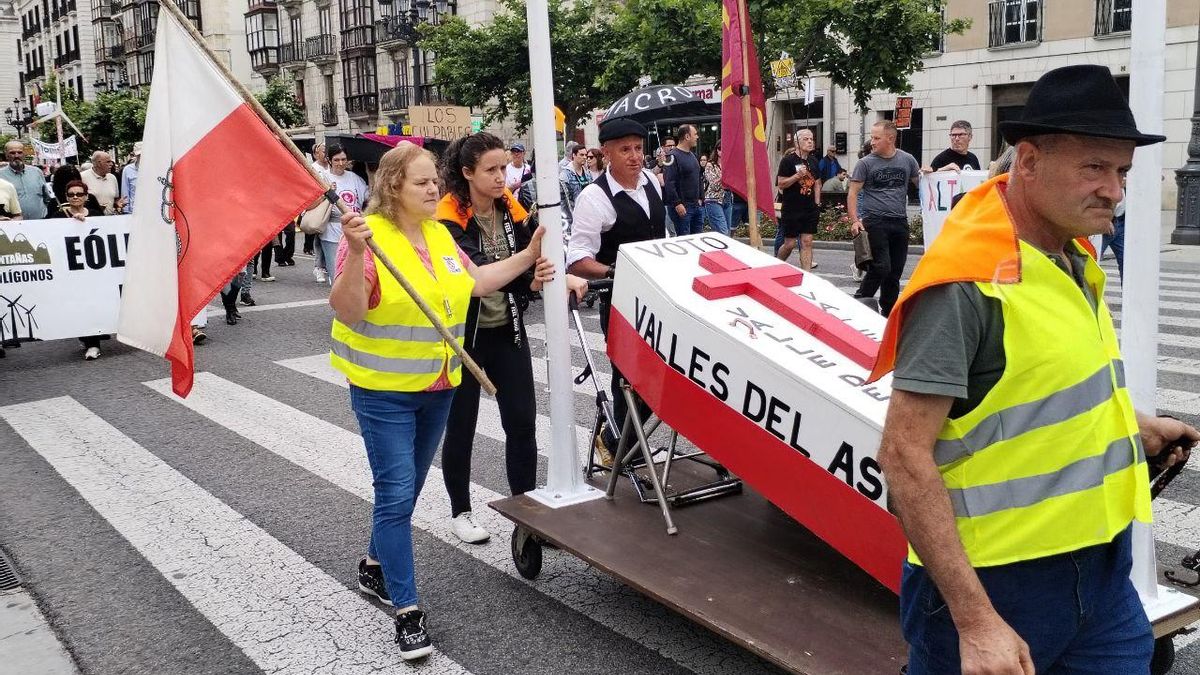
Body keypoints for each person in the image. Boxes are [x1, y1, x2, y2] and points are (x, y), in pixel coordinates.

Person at [871, 64, 1197, 675]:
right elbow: (903, 456)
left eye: (1121, 171)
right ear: (1027, 161)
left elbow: (1039, 388)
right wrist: (975, 621)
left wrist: (1134, 424)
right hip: (995, 585)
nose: (1114, 190)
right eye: (1094, 168)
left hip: (1101, 573)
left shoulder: (1069, 254)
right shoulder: (965, 283)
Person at [329, 142, 576, 660]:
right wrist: (354, 254)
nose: (432, 188)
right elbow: (348, 310)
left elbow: (478, 281)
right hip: (384, 394)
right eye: (420, 181)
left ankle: (374, 566)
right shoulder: (370, 239)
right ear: (392, 186)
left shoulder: (441, 235)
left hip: (438, 388)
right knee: (396, 495)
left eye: (433, 180)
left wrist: (529, 257)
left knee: (409, 490)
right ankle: (407, 609)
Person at [436, 132, 587, 544]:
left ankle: (524, 511)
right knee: (461, 424)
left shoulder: (510, 206)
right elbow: (478, 273)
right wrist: (528, 270)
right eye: (491, 169)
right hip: (463, 335)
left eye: (504, 167)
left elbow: (536, 257)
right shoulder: (447, 214)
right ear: (466, 173)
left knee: (521, 422)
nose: (502, 176)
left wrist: (555, 276)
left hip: (507, 329)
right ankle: (461, 511)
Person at [567, 117, 665, 464]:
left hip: (658, 298)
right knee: (629, 380)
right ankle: (618, 445)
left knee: (663, 378)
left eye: (639, 148)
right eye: (625, 149)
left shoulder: (652, 180)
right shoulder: (595, 198)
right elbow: (578, 259)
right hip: (621, 300)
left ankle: (620, 440)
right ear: (605, 153)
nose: (635, 156)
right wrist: (615, 270)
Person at [849, 120, 921, 316]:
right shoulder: (865, 163)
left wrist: (934, 172)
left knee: (895, 271)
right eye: (871, 137)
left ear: (890, 138)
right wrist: (855, 220)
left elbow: (921, 183)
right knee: (881, 266)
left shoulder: (907, 160)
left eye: (876, 138)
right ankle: (861, 300)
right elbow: (853, 193)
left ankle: (888, 313)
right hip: (875, 220)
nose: (872, 142)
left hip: (899, 221)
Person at [51, 180, 108, 358]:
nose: (75, 197)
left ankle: (94, 342)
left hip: (94, 270)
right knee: (78, 303)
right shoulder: (57, 216)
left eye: (79, 194)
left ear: (86, 196)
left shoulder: (97, 215)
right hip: (70, 271)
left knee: (93, 302)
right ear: (66, 197)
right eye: (71, 195)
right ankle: (87, 337)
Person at [318, 144, 369, 287]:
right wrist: (327, 193)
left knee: (356, 272)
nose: (340, 163)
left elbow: (367, 197)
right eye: (336, 160)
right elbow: (311, 202)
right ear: (329, 160)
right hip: (332, 232)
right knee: (337, 274)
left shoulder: (354, 178)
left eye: (343, 159)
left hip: (354, 231)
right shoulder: (323, 177)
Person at [776, 129, 821, 270]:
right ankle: (776, 264)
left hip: (809, 208)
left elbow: (817, 183)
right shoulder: (788, 160)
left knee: (807, 241)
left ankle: (807, 275)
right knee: (790, 244)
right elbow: (781, 184)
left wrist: (817, 203)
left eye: (811, 139)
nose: (810, 142)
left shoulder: (814, 161)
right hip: (792, 208)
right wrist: (796, 176)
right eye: (806, 139)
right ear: (797, 142)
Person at [662, 124, 704, 236]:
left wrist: (701, 198)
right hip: (683, 207)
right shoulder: (672, 157)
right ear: (687, 136)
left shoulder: (694, 156)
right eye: (695, 134)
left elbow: (698, 177)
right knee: (684, 240)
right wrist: (677, 203)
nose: (697, 137)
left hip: (696, 206)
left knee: (698, 239)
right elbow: (669, 183)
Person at [1, 140, 48, 220]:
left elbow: (46, 197)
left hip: (40, 222)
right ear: (6, 155)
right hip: (14, 225)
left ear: (24, 154)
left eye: (20, 152)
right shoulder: (1, 176)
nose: (16, 156)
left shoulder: (37, 172)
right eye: (12, 153)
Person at [701, 145, 729, 235]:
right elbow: (714, 185)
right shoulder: (710, 165)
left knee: (727, 232)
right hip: (713, 199)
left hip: (727, 198)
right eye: (721, 149)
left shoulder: (729, 165)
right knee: (723, 231)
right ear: (717, 150)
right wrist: (723, 176)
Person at [559, 144, 591, 222]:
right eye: (581, 155)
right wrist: (568, 219)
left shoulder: (587, 173)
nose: (584, 157)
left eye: (586, 155)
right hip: (573, 215)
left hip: (587, 213)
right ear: (574, 155)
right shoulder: (565, 174)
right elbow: (563, 200)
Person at [120, 142, 142, 214]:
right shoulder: (128, 169)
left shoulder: (154, 169)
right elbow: (125, 191)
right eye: (139, 155)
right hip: (134, 211)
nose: (142, 157)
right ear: (135, 154)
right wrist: (126, 211)